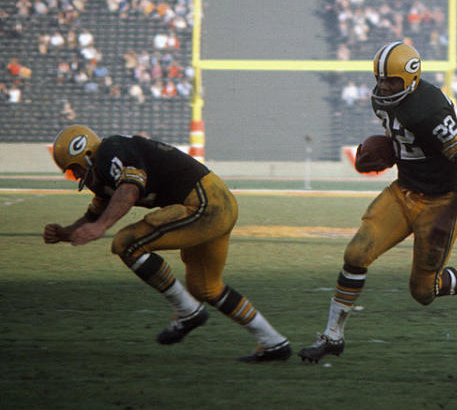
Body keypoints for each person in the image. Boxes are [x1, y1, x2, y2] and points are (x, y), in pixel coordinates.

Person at [298, 40, 457, 362]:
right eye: (380, 79)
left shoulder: (430, 108)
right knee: (356, 253)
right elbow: (408, 142)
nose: (384, 86)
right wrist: (388, 154)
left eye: (392, 80)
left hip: (441, 202)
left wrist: (448, 215)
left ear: (411, 79)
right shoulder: (382, 102)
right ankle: (332, 336)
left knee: (423, 291)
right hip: (403, 192)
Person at [43, 125, 290, 362]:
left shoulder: (110, 150)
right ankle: (273, 342)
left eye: (74, 168)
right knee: (206, 288)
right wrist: (65, 233)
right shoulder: (103, 172)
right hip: (218, 203)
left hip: (205, 203)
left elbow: (128, 190)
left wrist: (101, 228)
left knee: (127, 243)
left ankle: (188, 312)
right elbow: (94, 214)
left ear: (85, 153)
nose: (75, 175)